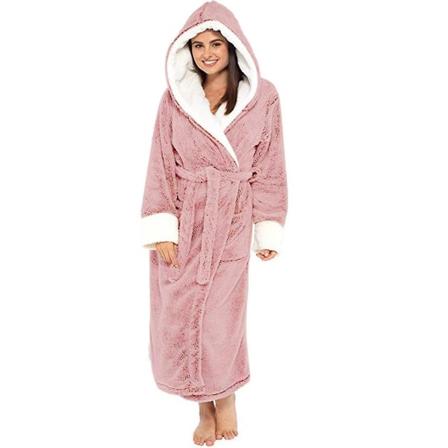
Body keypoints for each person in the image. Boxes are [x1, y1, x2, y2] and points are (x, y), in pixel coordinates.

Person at [140, 1, 288, 445]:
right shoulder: (175, 99)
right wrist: (162, 227)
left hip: (231, 221)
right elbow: (160, 164)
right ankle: (203, 407)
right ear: (188, 50)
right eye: (199, 45)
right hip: (185, 219)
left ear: (233, 46)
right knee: (181, 316)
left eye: (216, 44)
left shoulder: (263, 97)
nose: (207, 53)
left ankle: (226, 397)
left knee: (221, 320)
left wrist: (267, 224)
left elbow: (271, 166)